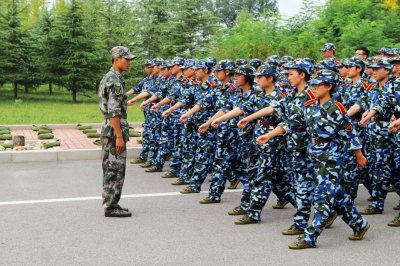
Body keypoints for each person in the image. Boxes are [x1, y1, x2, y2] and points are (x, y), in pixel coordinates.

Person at [257, 69, 370, 249]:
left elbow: (350, 133)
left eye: (319, 85)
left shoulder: (337, 109)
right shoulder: (310, 105)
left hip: (331, 158)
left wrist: (359, 155)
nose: (315, 87)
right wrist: (269, 135)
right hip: (314, 154)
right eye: (314, 84)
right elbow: (291, 123)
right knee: (337, 196)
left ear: (329, 86)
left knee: (322, 199)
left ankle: (310, 237)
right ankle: (359, 224)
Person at [99, 46, 135, 217]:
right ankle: (111, 206)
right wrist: (119, 136)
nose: (129, 62)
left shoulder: (112, 77)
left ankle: (111, 202)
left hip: (110, 127)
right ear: (116, 59)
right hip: (114, 129)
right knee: (115, 168)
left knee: (111, 167)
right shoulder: (114, 80)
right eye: (126, 59)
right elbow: (113, 111)